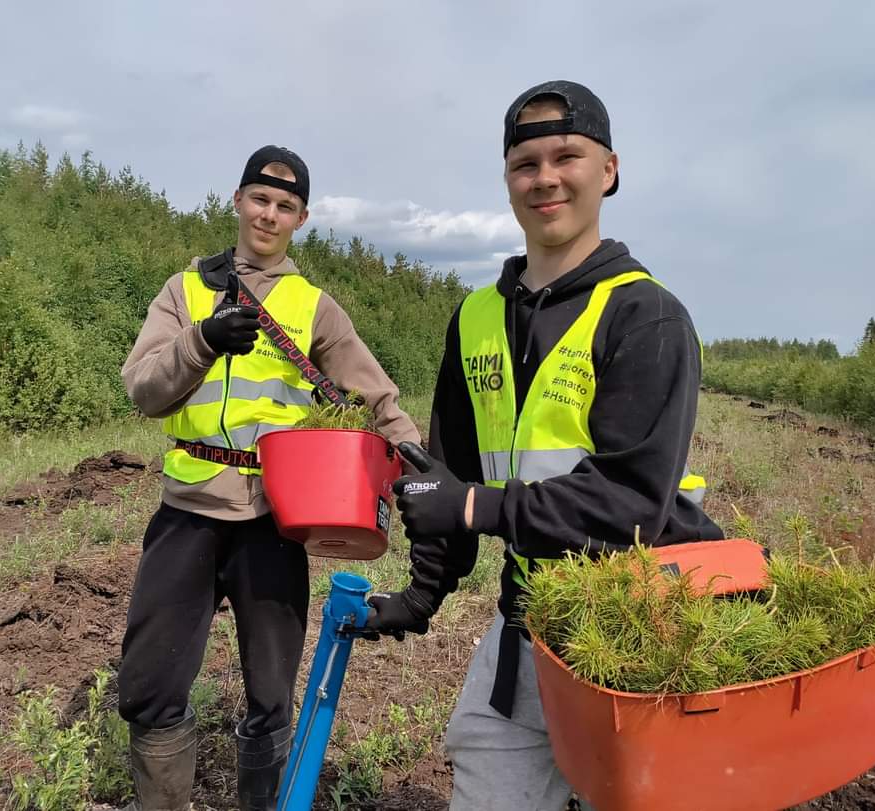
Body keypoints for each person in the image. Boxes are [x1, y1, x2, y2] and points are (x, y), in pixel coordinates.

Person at [364, 81, 724, 810]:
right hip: (527, 627)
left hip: (639, 632)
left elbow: (629, 503)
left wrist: (474, 506)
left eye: (568, 156)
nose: (546, 177)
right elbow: (451, 480)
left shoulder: (645, 316)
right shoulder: (475, 318)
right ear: (507, 180)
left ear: (610, 170)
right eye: (526, 162)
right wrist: (423, 594)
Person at [117, 144, 420, 811]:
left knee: (271, 693)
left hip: (273, 518)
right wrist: (201, 340)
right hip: (187, 512)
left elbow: (376, 394)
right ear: (237, 200)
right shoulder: (186, 289)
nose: (270, 213)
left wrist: (412, 456)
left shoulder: (314, 307)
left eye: (285, 205)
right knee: (149, 686)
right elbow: (141, 389)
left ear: (301, 219)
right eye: (260, 198)